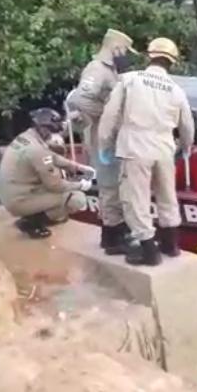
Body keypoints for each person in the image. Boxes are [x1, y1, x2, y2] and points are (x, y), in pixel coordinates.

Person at [98, 37, 195, 266]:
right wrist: (186, 148)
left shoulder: (130, 80)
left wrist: (105, 145)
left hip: (135, 146)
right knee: (167, 195)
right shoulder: (176, 90)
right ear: (172, 62)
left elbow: (110, 116)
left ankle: (148, 250)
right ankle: (171, 245)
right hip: (164, 148)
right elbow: (187, 126)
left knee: (136, 199)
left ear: (149, 56)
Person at [65, 29, 136, 252]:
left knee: (117, 183)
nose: (126, 55)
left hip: (112, 137)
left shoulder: (112, 71)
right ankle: (112, 236)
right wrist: (106, 115)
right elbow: (79, 99)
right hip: (100, 136)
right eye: (124, 50)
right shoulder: (97, 69)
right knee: (109, 185)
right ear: (116, 48)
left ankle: (118, 230)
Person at [0, 108, 95, 239]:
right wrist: (81, 185)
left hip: (13, 193)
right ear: (44, 129)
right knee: (76, 199)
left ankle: (31, 216)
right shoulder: (37, 151)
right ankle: (32, 223)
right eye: (53, 132)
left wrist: (77, 167)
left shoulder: (25, 137)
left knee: (53, 188)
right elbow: (55, 185)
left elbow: (51, 156)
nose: (54, 136)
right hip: (20, 200)